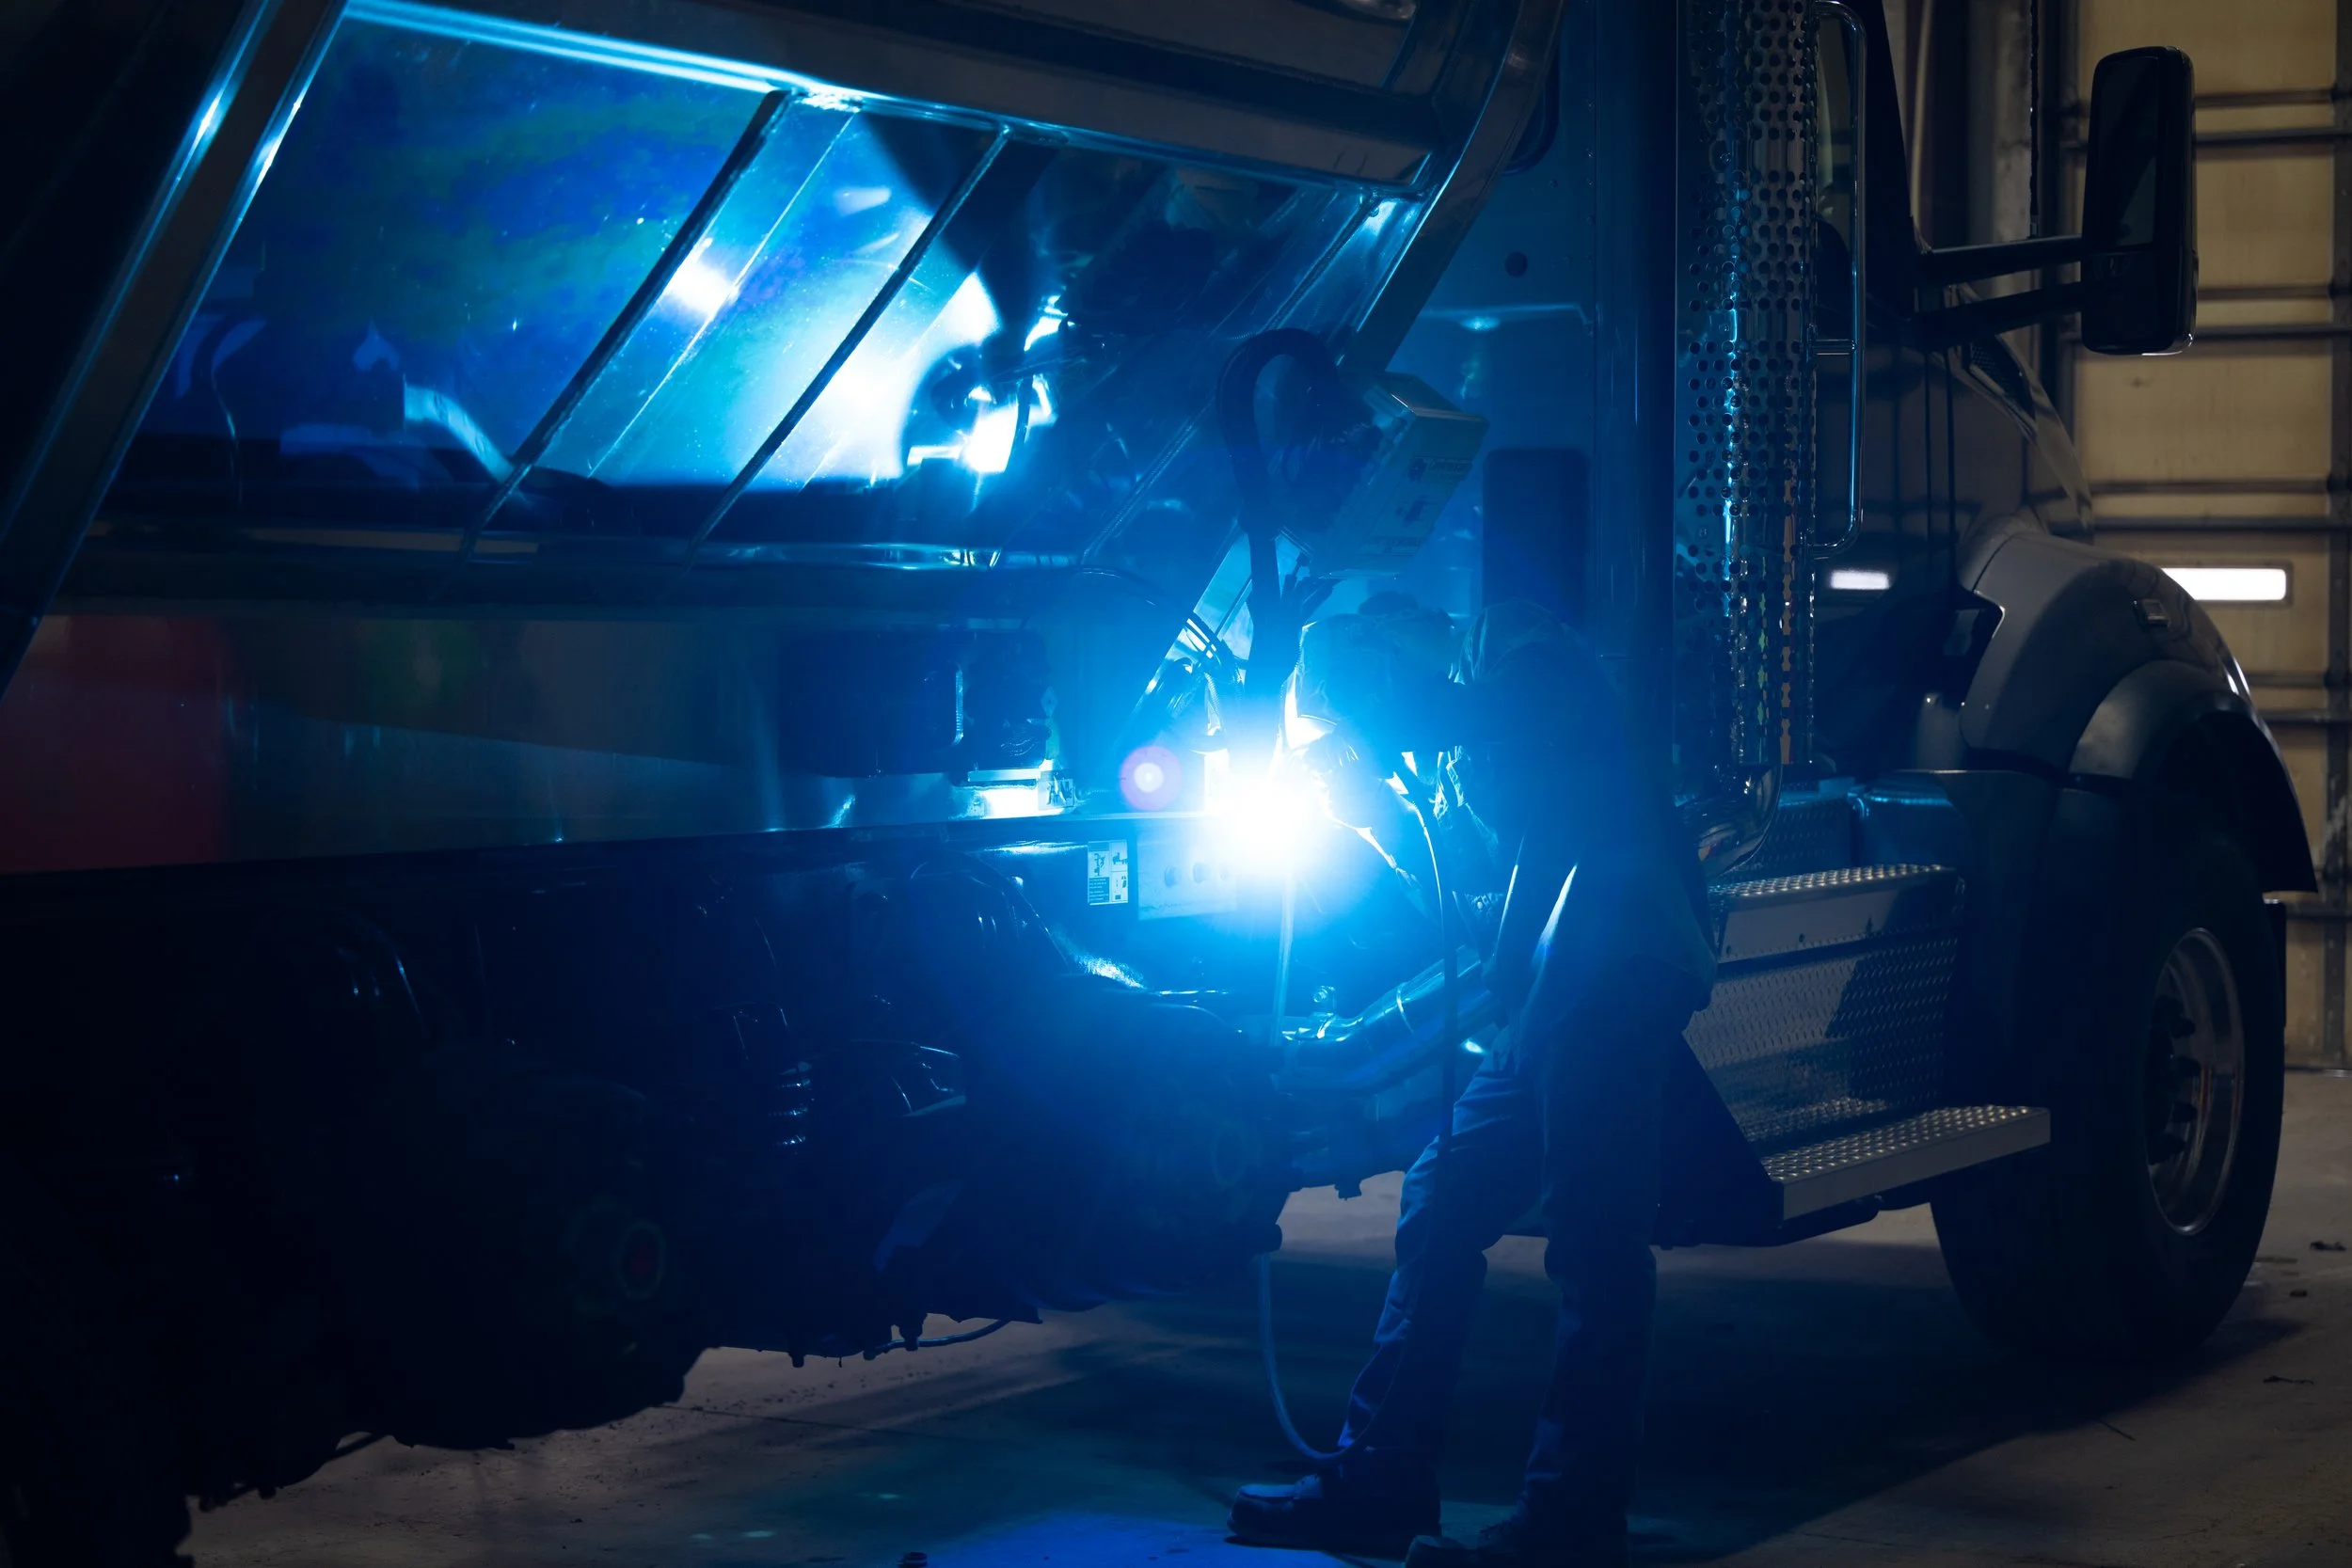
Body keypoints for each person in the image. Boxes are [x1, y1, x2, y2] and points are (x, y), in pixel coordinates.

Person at [1228, 597, 1715, 1568]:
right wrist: (1382, 819)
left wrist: (1365, 731)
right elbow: (1504, 918)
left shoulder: (1539, 667)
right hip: (1560, 985)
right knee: (1442, 1191)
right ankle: (1382, 1475)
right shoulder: (1505, 718)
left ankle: (1569, 1523)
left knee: (1596, 1249)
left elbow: (1456, 722)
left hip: (1617, 975)